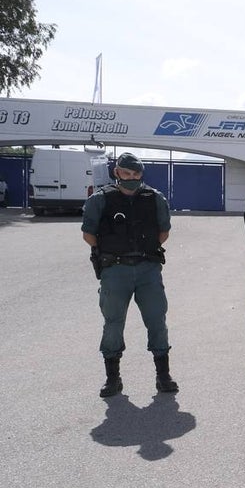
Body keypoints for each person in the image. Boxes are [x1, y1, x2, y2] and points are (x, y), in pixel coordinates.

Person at [81, 152, 177, 397]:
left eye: (136, 174)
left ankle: (163, 376)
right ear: (117, 173)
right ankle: (113, 379)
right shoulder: (100, 200)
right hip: (115, 270)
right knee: (113, 324)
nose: (132, 178)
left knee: (157, 320)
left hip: (148, 269)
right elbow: (89, 235)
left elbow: (163, 232)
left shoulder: (154, 198)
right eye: (127, 173)